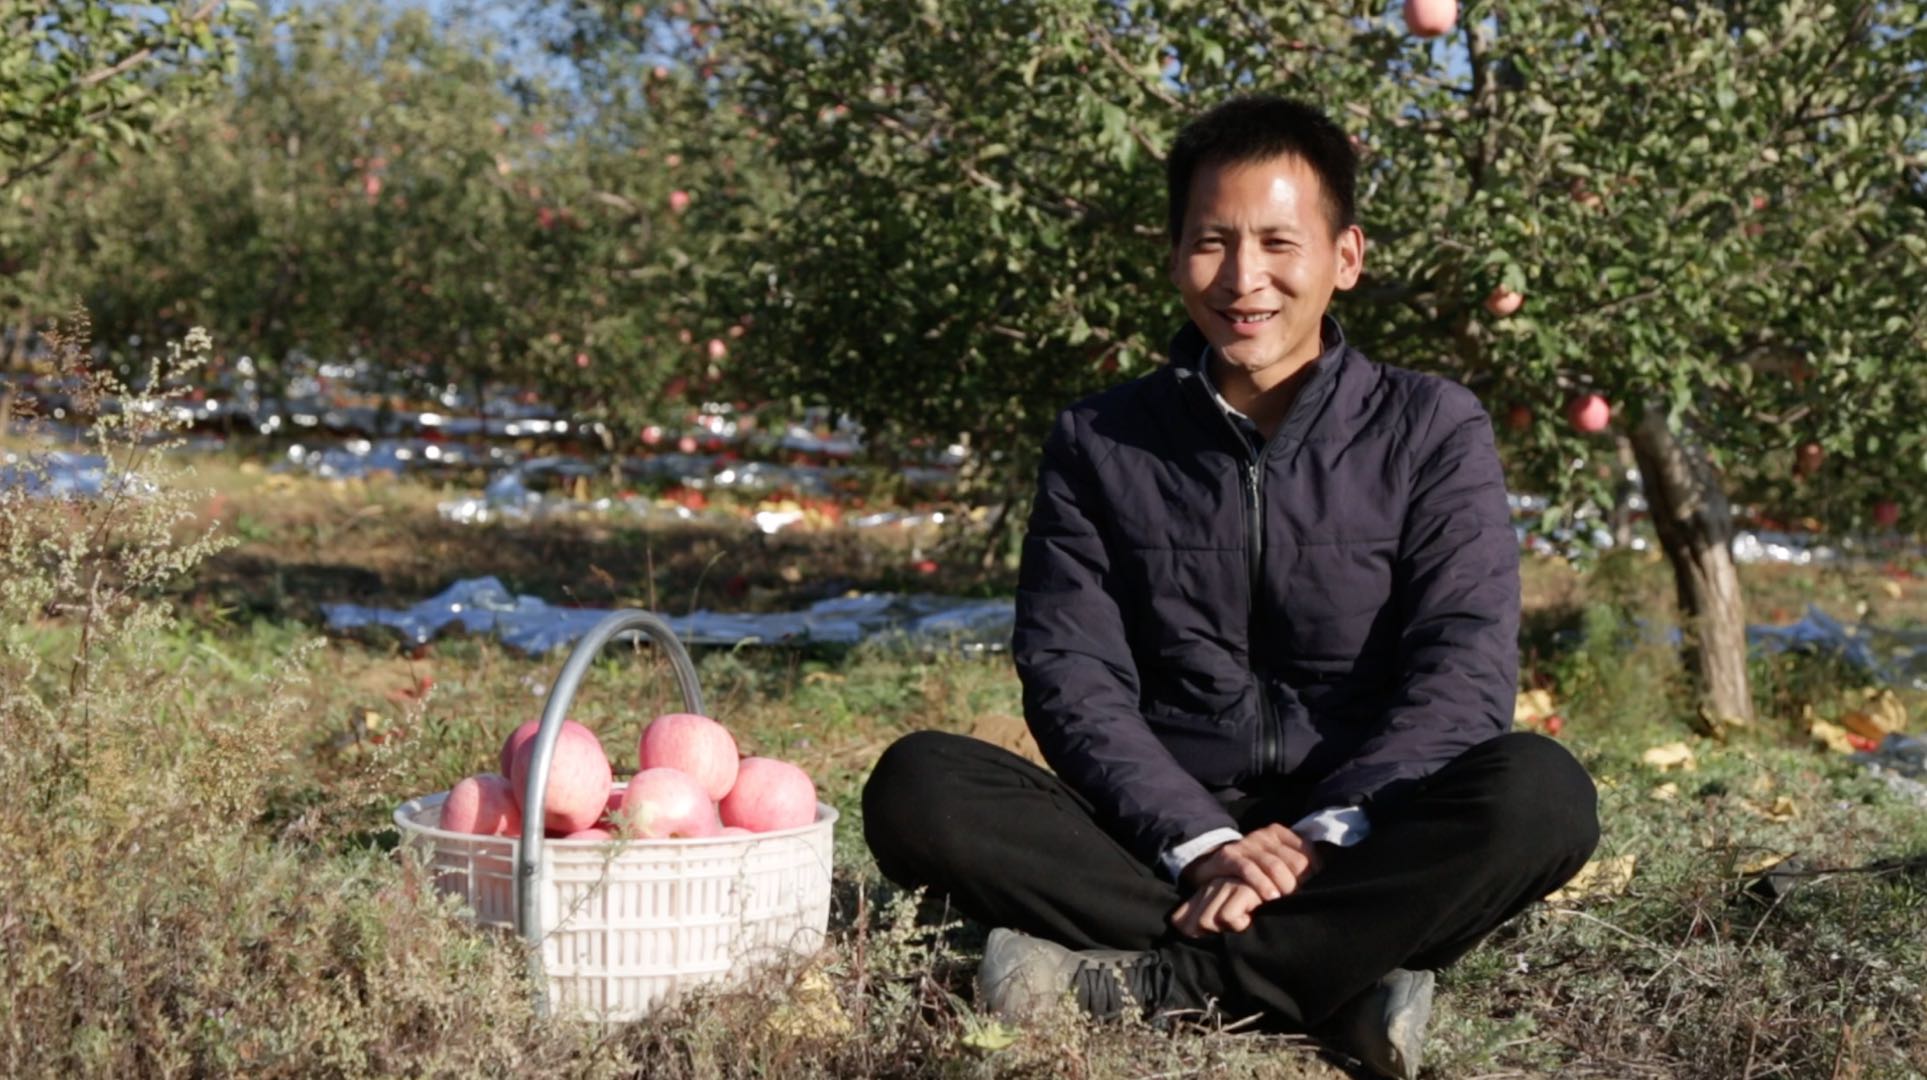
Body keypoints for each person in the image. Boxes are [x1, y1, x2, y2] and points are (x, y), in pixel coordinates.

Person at [862, 95, 1599, 1080]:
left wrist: (1324, 835)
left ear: (1344, 257)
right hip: (1154, 836)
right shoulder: (1102, 441)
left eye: (1277, 243)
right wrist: (1200, 839)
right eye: (1212, 242)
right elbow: (1070, 670)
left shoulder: (1429, 428)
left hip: (1371, 828)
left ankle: (1155, 988)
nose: (1243, 278)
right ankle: (1337, 975)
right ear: (1174, 257)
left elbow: (1462, 663)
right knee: (920, 785)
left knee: (1543, 796)